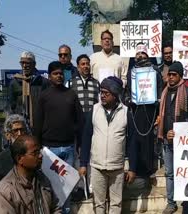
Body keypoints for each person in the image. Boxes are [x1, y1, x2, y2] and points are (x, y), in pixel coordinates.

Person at [79, 76, 137, 214]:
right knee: (98, 203)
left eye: (106, 93)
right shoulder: (94, 110)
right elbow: (86, 138)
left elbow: (132, 142)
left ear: (115, 95)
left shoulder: (125, 112)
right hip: (97, 166)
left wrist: (132, 168)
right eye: (101, 92)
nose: (102, 96)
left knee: (116, 204)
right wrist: (83, 163)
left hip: (117, 168)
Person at [0, 135, 62, 214]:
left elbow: (55, 208)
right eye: (35, 153)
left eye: (40, 151)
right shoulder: (4, 193)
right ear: (19, 159)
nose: (40, 156)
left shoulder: (42, 179)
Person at [157, 61, 188, 214]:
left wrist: (180, 132)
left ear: (180, 76)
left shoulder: (187, 92)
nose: (170, 77)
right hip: (166, 140)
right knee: (170, 173)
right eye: (169, 74)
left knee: (184, 171)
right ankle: (171, 203)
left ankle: (187, 200)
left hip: (183, 142)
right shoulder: (164, 92)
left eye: (174, 75)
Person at [35, 61, 83, 166]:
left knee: (69, 182)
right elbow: (38, 122)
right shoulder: (44, 96)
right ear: (49, 76)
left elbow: (79, 120)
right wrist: (37, 146)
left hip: (69, 147)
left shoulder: (71, 94)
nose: (59, 76)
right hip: (49, 148)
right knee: (50, 182)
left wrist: (80, 143)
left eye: (61, 74)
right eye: (55, 74)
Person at [126, 43, 163, 178]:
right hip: (136, 110)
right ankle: (137, 168)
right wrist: (129, 99)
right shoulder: (132, 71)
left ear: (147, 55)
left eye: (143, 53)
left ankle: (149, 168)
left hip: (151, 109)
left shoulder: (154, 70)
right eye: (138, 54)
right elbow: (128, 90)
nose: (140, 56)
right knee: (136, 138)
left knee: (149, 139)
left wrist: (158, 102)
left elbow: (159, 88)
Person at [0, 114, 28, 202]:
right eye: (16, 130)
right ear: (8, 135)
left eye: (22, 130)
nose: (20, 134)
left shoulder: (34, 155)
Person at [8, 51, 50, 128]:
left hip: (41, 125)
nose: (24, 66)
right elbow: (11, 106)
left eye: (27, 63)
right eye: (22, 63)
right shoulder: (14, 83)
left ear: (34, 64)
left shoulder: (43, 82)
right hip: (21, 125)